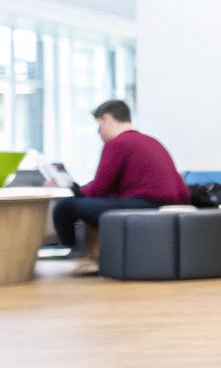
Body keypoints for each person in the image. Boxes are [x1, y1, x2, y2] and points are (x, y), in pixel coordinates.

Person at [53, 100, 189, 274]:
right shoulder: (152, 141)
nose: (99, 133)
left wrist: (73, 189)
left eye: (99, 126)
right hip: (168, 204)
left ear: (106, 118)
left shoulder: (118, 143)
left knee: (66, 206)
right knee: (87, 203)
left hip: (145, 203)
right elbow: (181, 189)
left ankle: (77, 253)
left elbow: (99, 189)